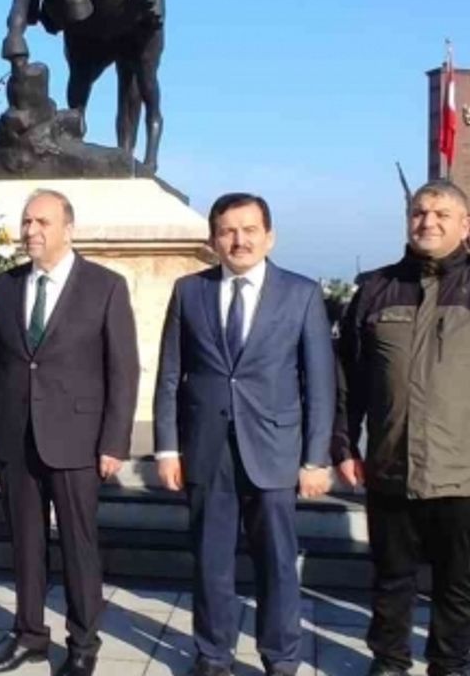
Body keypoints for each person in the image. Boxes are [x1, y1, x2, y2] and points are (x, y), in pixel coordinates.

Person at [154, 193, 335, 676]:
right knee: (210, 563)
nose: (239, 240)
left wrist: (316, 458)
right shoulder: (189, 291)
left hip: (275, 450)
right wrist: (167, 447)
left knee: (276, 564)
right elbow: (170, 374)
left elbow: (319, 383)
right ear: (213, 240)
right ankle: (213, 655)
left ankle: (280, 658)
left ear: (269, 236)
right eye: (228, 231)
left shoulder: (300, 294)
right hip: (207, 450)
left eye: (249, 229)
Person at [0, 189, 139, 676]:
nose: (31, 231)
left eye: (42, 222)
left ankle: (83, 642)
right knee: (25, 542)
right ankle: (29, 636)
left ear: (69, 228)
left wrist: (114, 441)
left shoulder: (105, 286)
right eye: (26, 222)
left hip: (79, 440)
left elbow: (123, 371)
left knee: (78, 545)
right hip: (14, 435)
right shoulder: (5, 286)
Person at [335, 179, 470, 676]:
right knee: (391, 580)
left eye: (440, 214)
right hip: (390, 466)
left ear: (465, 225)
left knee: (458, 584)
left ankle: (449, 665)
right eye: (418, 213)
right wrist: (344, 445)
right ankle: (389, 662)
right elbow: (346, 377)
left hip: (463, 473)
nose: (427, 222)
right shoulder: (376, 288)